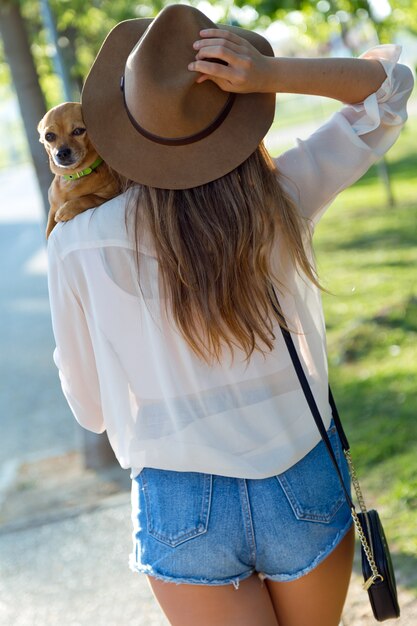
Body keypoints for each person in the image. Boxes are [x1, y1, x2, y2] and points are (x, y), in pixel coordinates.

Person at [47, 5, 413, 626]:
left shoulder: (77, 242)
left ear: (121, 126)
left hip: (180, 496)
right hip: (301, 471)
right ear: (238, 118)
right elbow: (390, 91)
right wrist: (267, 72)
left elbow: (90, 409)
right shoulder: (283, 196)